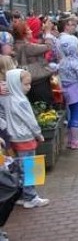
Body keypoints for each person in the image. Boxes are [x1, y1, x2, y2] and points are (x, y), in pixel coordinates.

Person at [0, 69, 49, 208]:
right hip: (25, 137)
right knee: (31, 168)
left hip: (14, 138)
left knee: (20, 168)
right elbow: (30, 120)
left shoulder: (5, 98)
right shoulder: (21, 101)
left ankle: (21, 195)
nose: (29, 87)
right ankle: (31, 197)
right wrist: (38, 133)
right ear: (16, 84)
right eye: (26, 84)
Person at [10, 20, 54, 105]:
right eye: (28, 30)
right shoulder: (27, 47)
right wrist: (48, 32)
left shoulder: (15, 46)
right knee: (45, 107)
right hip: (38, 82)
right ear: (24, 34)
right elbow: (49, 46)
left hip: (26, 82)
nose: (31, 31)